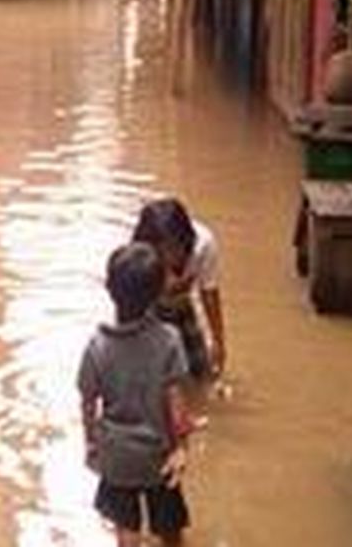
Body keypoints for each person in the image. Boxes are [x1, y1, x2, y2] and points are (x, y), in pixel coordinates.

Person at [79, 242, 193, 547]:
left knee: (126, 528)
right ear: (158, 293)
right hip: (159, 455)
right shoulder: (169, 340)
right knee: (170, 529)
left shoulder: (96, 347)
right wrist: (181, 446)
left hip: (117, 457)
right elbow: (176, 400)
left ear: (108, 288)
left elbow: (88, 402)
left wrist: (90, 443)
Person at [133, 198, 227, 379]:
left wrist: (219, 342)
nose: (167, 257)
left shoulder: (204, 245)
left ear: (185, 240)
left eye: (171, 248)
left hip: (181, 306)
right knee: (148, 375)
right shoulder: (140, 249)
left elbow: (209, 294)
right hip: (148, 308)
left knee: (201, 372)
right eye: (159, 251)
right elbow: (131, 296)